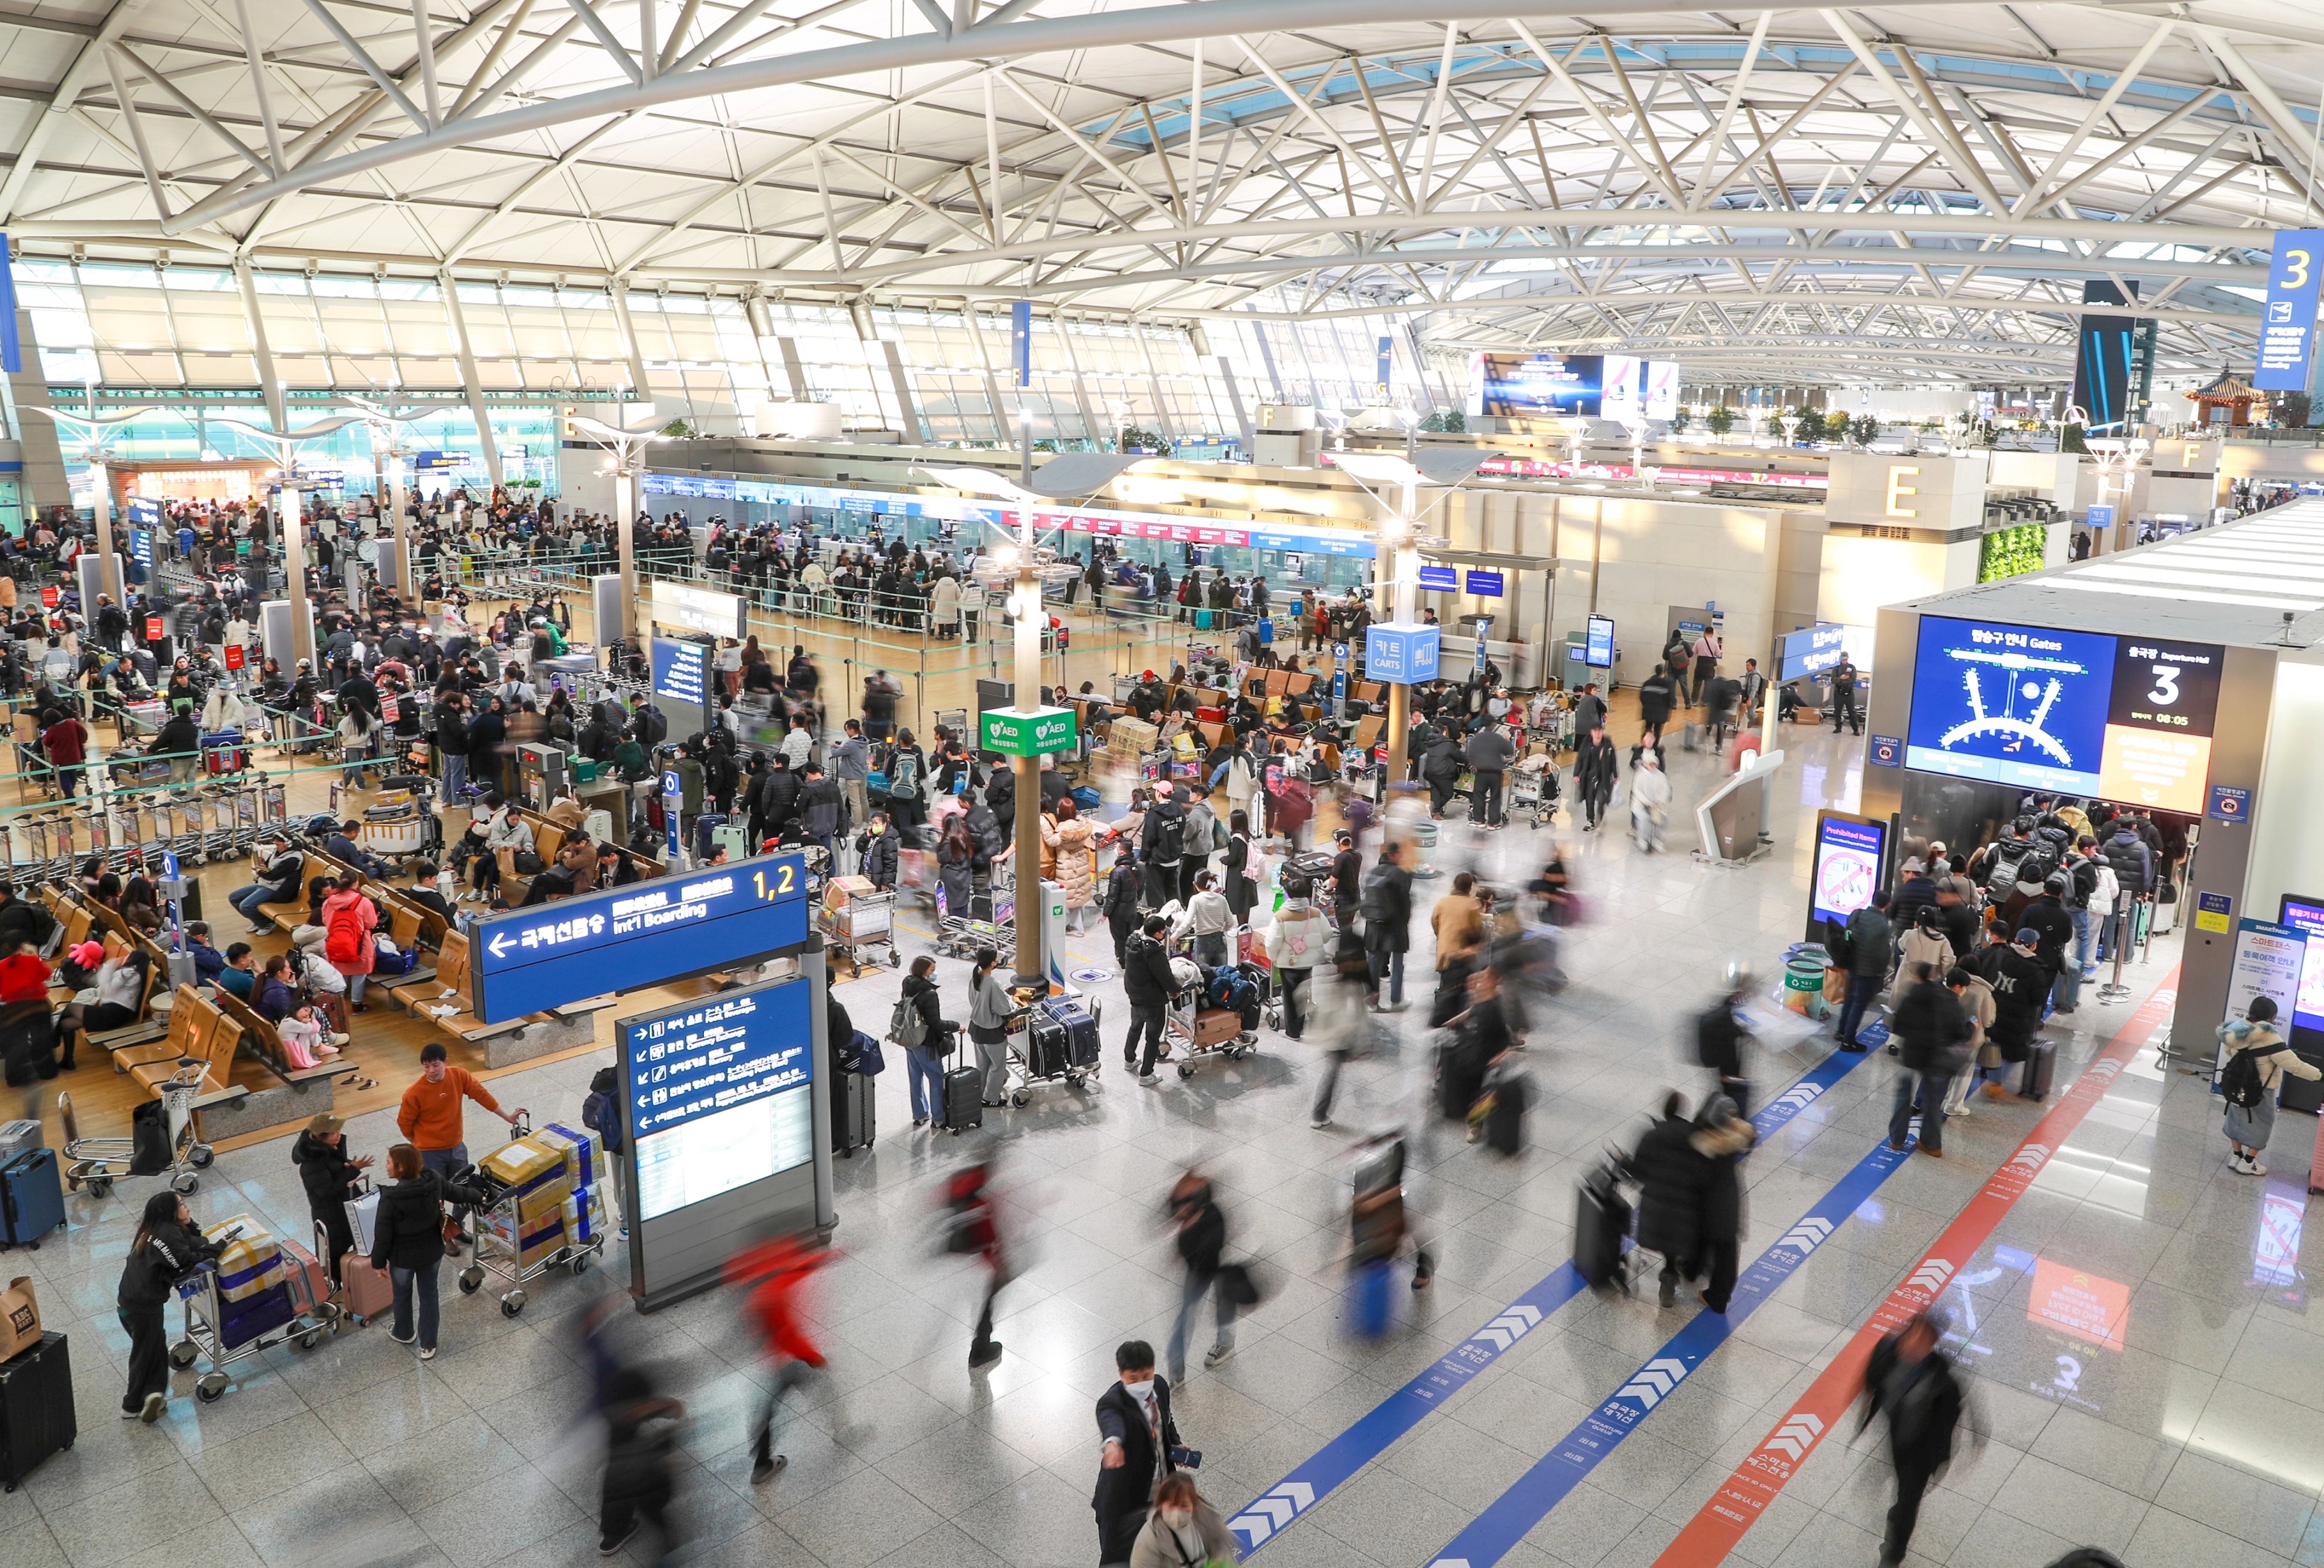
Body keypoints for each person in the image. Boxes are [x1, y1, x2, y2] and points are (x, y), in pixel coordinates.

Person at [1858, 1310, 1971, 1567]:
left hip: (1921, 1453)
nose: (1910, 1345)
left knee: (1907, 1503)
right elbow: (1872, 1379)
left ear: (1931, 1346)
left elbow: (1945, 1429)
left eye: (1921, 1341)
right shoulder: (1887, 1349)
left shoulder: (1945, 1385)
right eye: (1910, 1337)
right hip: (1898, 1435)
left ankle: (1893, 1554)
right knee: (1899, 1477)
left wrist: (1935, 1461)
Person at [729, 1232, 837, 1484]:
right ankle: (842, 1430)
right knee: (822, 1387)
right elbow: (787, 1337)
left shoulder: (758, 1280)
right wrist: (815, 1358)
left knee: (766, 1409)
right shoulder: (772, 1293)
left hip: (769, 1361)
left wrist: (831, 1255)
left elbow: (798, 1268)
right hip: (785, 1361)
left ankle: (761, 1460)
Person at [396, 1041, 526, 1248]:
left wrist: (507, 1116)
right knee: (435, 1197)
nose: (431, 1071)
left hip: (456, 1146)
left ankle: (456, 1227)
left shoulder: (459, 1076)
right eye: (426, 1066)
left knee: (464, 1191)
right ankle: (443, 1236)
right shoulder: (414, 1093)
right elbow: (404, 1123)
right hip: (429, 1153)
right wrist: (419, 1144)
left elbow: (481, 1094)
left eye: (436, 1065)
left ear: (446, 1062)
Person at [369, 1142, 485, 1359]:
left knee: (402, 1294)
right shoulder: (434, 1181)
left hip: (402, 1257)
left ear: (401, 1168)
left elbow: (383, 1235)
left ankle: (404, 1332)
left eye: (389, 1162)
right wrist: (480, 1197)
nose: (386, 1167)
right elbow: (457, 1193)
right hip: (432, 1251)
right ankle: (428, 1344)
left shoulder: (391, 1198)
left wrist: (378, 1263)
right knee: (429, 1294)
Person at [117, 1191, 221, 1421]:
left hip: (127, 1303)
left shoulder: (151, 1232)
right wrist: (219, 1247)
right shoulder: (169, 1234)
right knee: (145, 1353)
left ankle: (153, 1394)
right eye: (182, 1205)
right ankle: (132, 1404)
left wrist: (191, 1229)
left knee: (153, 1347)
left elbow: (191, 1243)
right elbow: (189, 1260)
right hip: (144, 1307)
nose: (187, 1208)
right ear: (170, 1213)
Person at [1094, 1339, 1185, 1565]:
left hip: (1161, 1491)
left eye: (1146, 1375)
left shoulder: (1161, 1387)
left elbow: (1167, 1422)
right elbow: (1113, 1425)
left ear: (1153, 1369)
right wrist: (1113, 1445)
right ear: (1121, 1373)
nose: (1141, 1383)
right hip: (1126, 1499)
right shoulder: (1112, 1402)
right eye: (1133, 1378)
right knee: (1123, 1558)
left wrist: (1176, 1444)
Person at [2217, 996, 2318, 1176]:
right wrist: (2319, 1075)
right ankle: (2248, 1162)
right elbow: (2295, 1066)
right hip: (2261, 1088)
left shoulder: (2234, 1029)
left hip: (2237, 1083)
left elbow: (2228, 1050)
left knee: (2236, 1117)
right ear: (2271, 1017)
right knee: (2263, 1123)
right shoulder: (2271, 1039)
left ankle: (2236, 1156)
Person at [1630, 1092, 1712, 1308]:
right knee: (1675, 1241)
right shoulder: (1696, 1139)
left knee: (1665, 1237)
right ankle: (1670, 1274)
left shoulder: (1651, 1136)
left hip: (1655, 1208)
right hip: (1684, 1208)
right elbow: (1704, 1174)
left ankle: (1668, 1274)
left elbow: (1638, 1173)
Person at [598, 1366, 686, 1563]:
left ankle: (613, 1533)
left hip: (627, 1470)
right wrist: (664, 1457)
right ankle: (616, 1535)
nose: (647, 1405)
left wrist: (665, 1407)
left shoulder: (617, 1410)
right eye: (644, 1402)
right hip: (639, 1481)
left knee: (620, 1491)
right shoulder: (628, 1446)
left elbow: (642, 1411)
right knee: (650, 1508)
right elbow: (641, 1413)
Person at [1887, 963, 1965, 1158]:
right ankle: (1931, 1145)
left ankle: (1897, 1140)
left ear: (1917, 977)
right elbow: (1957, 1032)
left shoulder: (1911, 997)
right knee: (1932, 1102)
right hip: (1934, 1057)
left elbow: (1897, 1026)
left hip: (1911, 1055)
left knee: (1903, 1096)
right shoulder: (1945, 999)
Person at [1690, 1096, 1757, 1312]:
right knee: (1725, 1251)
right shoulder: (1733, 1143)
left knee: (1715, 1248)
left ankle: (1716, 1296)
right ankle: (1714, 1289)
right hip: (1728, 1204)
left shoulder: (1705, 1148)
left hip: (1711, 1206)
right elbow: (1748, 1134)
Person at [291, 1112, 370, 1285]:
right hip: (332, 1216)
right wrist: (352, 1170)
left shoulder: (331, 1148)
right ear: (321, 1137)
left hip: (344, 1210)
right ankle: (336, 1288)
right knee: (334, 1255)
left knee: (352, 1247)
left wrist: (347, 1165)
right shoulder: (312, 1163)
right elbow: (327, 1192)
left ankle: (352, 1286)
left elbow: (335, 1170)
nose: (339, 1134)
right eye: (335, 1132)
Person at [1127, 1473, 1238, 1568]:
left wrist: (1220, 1560)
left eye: (1184, 1506)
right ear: (1160, 1504)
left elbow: (1222, 1543)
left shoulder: (1206, 1516)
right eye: (1171, 1506)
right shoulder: (1149, 1538)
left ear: (1194, 1505)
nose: (1177, 1513)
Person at [899, 953, 956, 1127]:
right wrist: (956, 1025)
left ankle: (920, 1114)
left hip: (909, 1039)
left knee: (915, 1077)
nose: (934, 973)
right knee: (937, 1079)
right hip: (925, 1042)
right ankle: (938, 1119)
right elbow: (935, 1023)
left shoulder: (908, 985)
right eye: (932, 970)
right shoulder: (929, 993)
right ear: (924, 971)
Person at [1834, 890, 1894, 1050]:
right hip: (1869, 972)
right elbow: (1884, 953)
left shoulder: (1858, 914)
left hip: (1853, 965)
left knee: (1850, 999)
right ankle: (1848, 1041)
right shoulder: (1883, 926)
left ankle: (1841, 1031)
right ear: (1887, 905)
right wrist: (1881, 972)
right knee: (1859, 1005)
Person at [1124, 914, 1177, 1084]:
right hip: (1153, 1001)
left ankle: (1130, 1059)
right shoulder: (1154, 953)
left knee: (1135, 1028)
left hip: (1135, 996)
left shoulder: (1133, 944)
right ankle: (1146, 1074)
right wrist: (1176, 990)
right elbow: (1166, 978)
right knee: (1152, 1038)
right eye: (1163, 932)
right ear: (1157, 935)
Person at [1362, 839, 1413, 1013]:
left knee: (1373, 965)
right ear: (1392, 855)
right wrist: (1404, 922)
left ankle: (1372, 1002)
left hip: (1374, 926)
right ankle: (1396, 1000)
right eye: (1399, 854)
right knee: (1398, 963)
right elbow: (1405, 903)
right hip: (1395, 926)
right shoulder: (1400, 874)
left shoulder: (1372, 873)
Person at [1696, 969, 1754, 1118]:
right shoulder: (1725, 1016)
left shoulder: (1726, 1005)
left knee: (1728, 1089)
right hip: (1726, 1064)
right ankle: (1727, 1116)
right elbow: (1730, 1036)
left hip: (1726, 1061)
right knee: (1729, 1091)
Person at [967, 947, 1013, 1110]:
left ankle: (980, 1093)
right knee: (997, 1066)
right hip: (992, 1031)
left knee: (983, 1065)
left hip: (977, 1029)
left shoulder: (975, 979)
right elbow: (1004, 1010)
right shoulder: (993, 984)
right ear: (993, 963)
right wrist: (1011, 1002)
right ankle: (991, 1098)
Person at [1463, 721, 1515, 827]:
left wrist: (1474, 765)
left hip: (1481, 771)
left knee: (1478, 795)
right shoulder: (1497, 738)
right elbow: (1510, 751)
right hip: (1495, 772)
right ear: (1493, 726)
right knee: (1495, 796)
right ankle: (1493, 823)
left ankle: (1479, 820)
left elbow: (1469, 753)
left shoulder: (1476, 739)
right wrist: (1507, 739)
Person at [1102, 847, 1145, 966]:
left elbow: (1113, 896)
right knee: (1130, 934)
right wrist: (1136, 901)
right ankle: (1133, 956)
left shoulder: (1117, 872)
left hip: (1119, 913)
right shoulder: (1141, 866)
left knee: (1120, 938)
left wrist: (1106, 912)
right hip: (1132, 908)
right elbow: (1141, 888)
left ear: (1121, 852)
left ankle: (1123, 960)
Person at [1574, 723, 1616, 832]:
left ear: (1602, 732)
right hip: (1589, 776)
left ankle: (1600, 815)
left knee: (1602, 798)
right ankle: (1590, 820)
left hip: (1604, 776)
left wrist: (1615, 775)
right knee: (1590, 798)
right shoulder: (1586, 744)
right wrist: (1576, 774)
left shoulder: (1608, 745)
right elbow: (1580, 759)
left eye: (1599, 731)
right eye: (1595, 731)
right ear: (1591, 733)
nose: (1597, 734)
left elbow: (1613, 761)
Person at [1630, 750, 1672, 850]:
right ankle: (1642, 839)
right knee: (1645, 818)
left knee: (1663, 819)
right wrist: (1647, 802)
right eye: (1650, 764)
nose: (1652, 766)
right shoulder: (1639, 775)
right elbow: (1637, 791)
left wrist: (1661, 801)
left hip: (1656, 806)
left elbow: (1666, 790)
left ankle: (1657, 840)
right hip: (1640, 805)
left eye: (1654, 764)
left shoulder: (1661, 776)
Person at [1829, 655, 1862, 734]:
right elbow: (1833, 680)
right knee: (1838, 711)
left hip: (1849, 692)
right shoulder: (1836, 668)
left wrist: (1841, 680)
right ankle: (1838, 727)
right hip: (1839, 692)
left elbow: (1853, 680)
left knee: (1852, 711)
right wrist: (1841, 678)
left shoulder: (1851, 667)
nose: (1844, 661)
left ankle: (1855, 729)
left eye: (1845, 659)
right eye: (1843, 659)